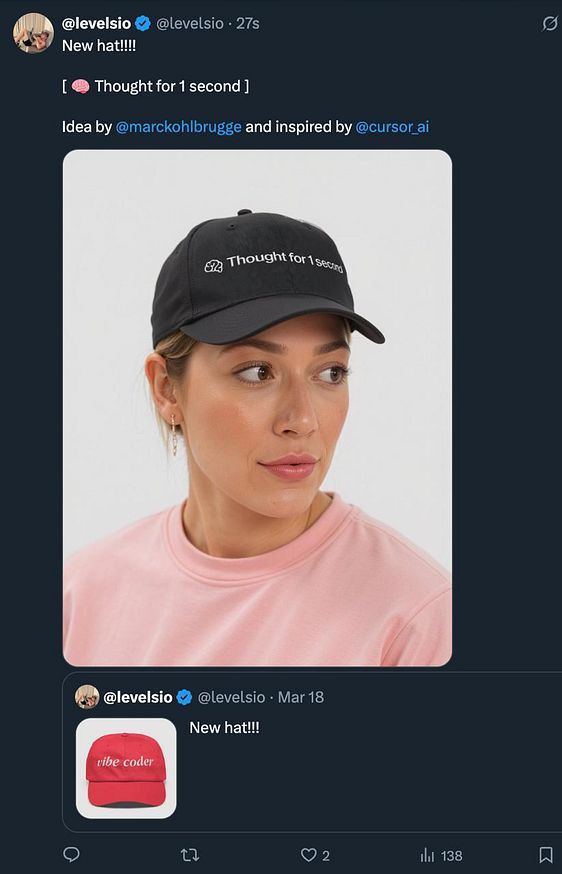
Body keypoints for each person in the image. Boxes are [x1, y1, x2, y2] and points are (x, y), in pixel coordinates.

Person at [64, 210, 451, 667]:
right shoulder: (83, 594)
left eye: (331, 373)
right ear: (166, 388)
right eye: (256, 372)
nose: (302, 420)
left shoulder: (418, 618)